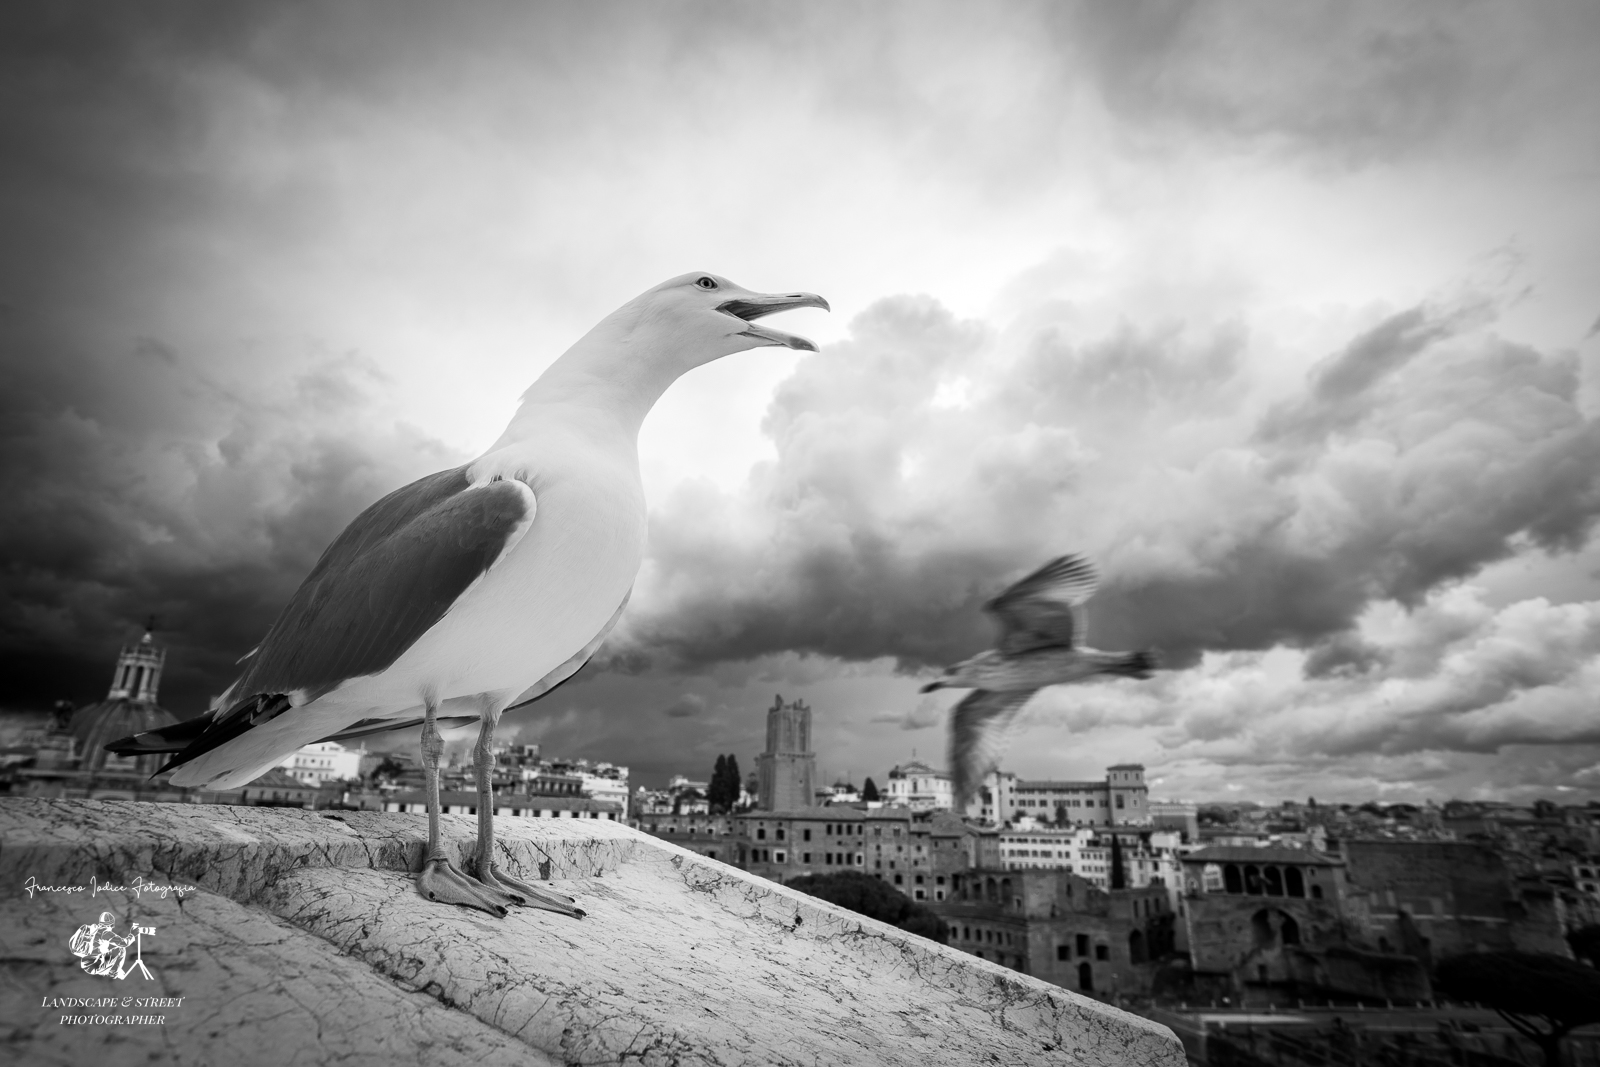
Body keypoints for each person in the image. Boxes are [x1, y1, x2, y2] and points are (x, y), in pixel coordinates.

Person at [68, 912, 133, 977]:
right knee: (121, 949)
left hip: (85, 965)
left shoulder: (93, 929)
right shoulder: (106, 933)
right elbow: (124, 943)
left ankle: (109, 970)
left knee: (106, 950)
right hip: (95, 966)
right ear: (111, 925)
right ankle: (113, 972)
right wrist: (133, 934)